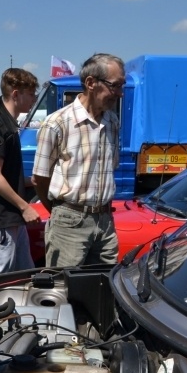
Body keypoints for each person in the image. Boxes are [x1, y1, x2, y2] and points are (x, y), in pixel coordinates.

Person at [32, 53, 125, 267]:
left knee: (102, 281)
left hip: (105, 221)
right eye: (115, 86)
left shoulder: (112, 121)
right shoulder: (57, 123)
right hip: (69, 220)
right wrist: (62, 212)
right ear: (91, 83)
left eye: (122, 86)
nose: (120, 93)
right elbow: (40, 179)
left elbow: (109, 169)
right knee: (64, 283)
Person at [0, 69, 41, 274]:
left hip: (11, 217)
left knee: (25, 273)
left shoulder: (8, 124)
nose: (34, 99)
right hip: (2, 217)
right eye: (31, 94)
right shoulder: (1, 128)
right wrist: (25, 207)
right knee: (1, 277)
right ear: (16, 94)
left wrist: (32, 181)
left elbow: (7, 175)